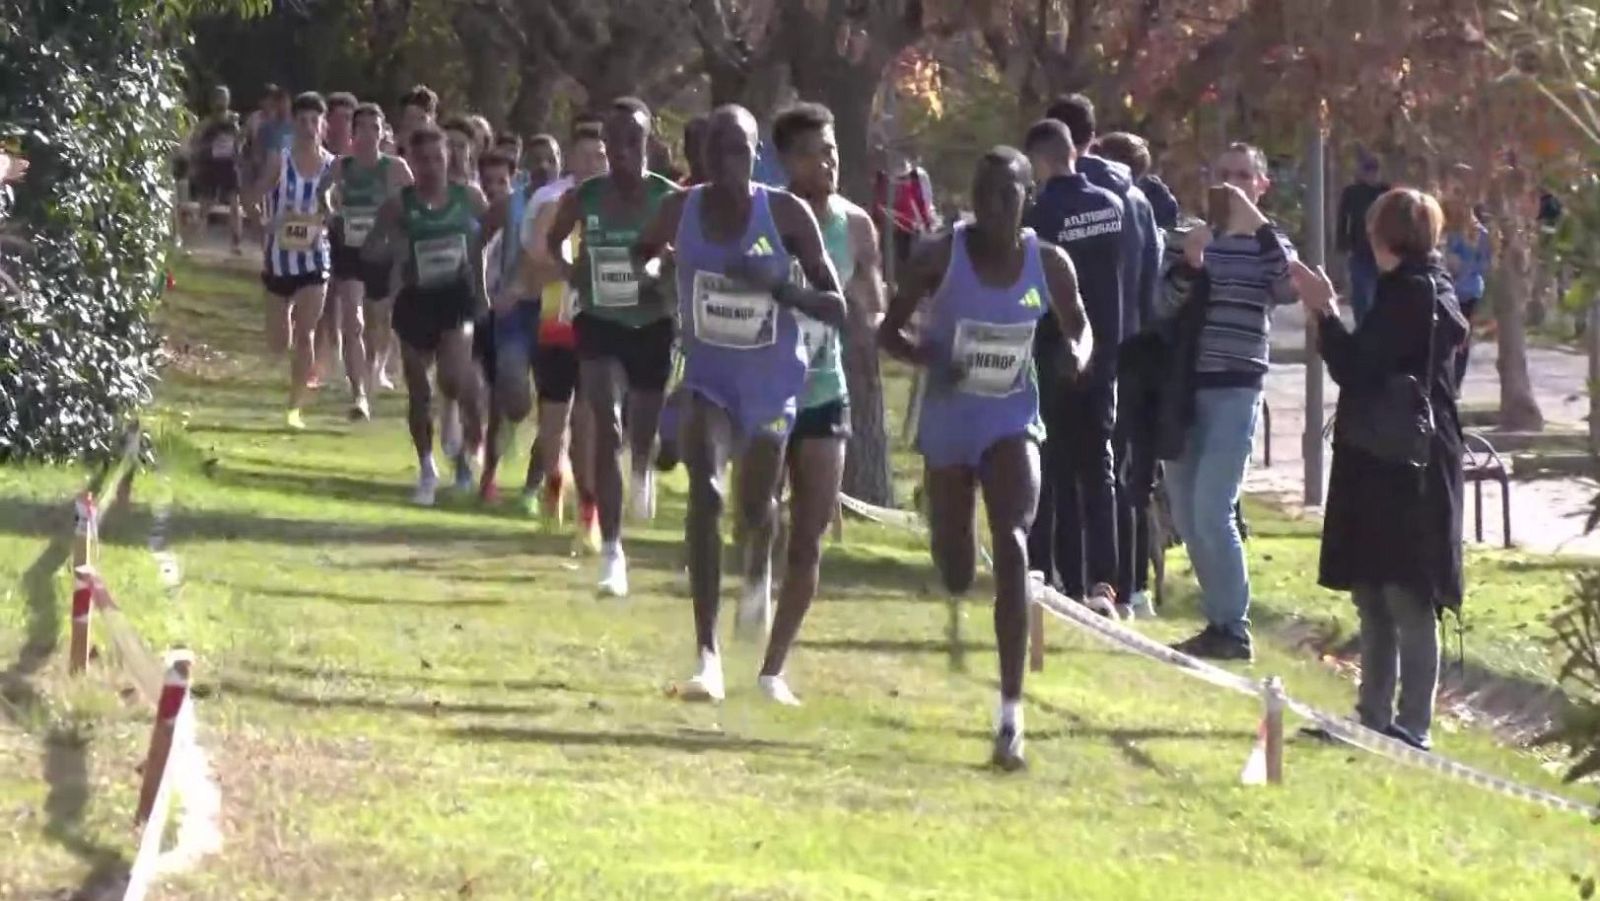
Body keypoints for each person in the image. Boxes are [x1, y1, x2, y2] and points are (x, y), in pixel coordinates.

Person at [881, 147, 1091, 770]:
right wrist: (927, 357)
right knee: (954, 568)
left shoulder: (1049, 263)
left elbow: (1081, 326)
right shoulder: (938, 256)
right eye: (986, 192)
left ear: (1028, 200)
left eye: (1009, 194)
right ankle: (943, 522)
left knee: (1013, 537)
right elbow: (887, 331)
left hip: (1011, 420)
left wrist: (1076, 356)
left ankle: (1010, 716)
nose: (996, 206)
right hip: (949, 422)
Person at [633, 104, 846, 701]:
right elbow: (641, 253)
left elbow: (836, 306)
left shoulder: (785, 213)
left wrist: (777, 286)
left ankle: (759, 564)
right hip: (709, 380)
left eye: (740, 151)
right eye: (717, 150)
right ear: (702, 156)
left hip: (774, 386)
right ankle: (708, 657)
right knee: (706, 494)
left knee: (755, 510)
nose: (728, 162)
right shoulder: (680, 209)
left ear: (757, 157)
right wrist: (657, 268)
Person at [1291, 188, 1466, 751]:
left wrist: (1323, 309)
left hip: (1405, 463)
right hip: (1379, 457)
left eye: (1372, 232)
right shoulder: (1408, 289)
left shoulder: (1415, 295)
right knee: (1372, 591)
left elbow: (1357, 366)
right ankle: (1371, 717)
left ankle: (1412, 726)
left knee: (1406, 595)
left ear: (1388, 237)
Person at [753, 102, 885, 705]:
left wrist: (871, 316)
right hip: (762, 386)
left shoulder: (856, 226)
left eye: (831, 149)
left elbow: (871, 300)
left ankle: (772, 669)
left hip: (825, 391)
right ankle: (756, 572)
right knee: (757, 514)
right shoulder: (766, 217)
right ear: (786, 162)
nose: (827, 161)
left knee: (810, 534)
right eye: (812, 152)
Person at [1162, 143, 1298, 661]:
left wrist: (1258, 225)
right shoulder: (1191, 237)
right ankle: (1217, 621)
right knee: (1186, 511)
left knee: (1213, 506)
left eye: (1245, 175)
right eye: (1225, 174)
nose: (1235, 184)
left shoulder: (1272, 244)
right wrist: (1191, 264)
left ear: (1262, 185)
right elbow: (1162, 303)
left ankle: (1234, 626)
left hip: (1237, 387)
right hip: (1184, 388)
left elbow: (1286, 287)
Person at [545, 98, 679, 596]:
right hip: (599, 320)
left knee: (640, 431)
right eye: (614, 142)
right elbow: (554, 240)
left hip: (651, 324)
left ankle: (643, 463)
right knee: (607, 421)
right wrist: (569, 269)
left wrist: (662, 269)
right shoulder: (587, 196)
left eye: (633, 141)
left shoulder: (669, 199)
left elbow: (686, 258)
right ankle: (613, 551)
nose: (622, 151)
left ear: (649, 142)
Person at [1021, 119, 1125, 620]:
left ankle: (1054, 573)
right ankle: (1106, 583)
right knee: (1098, 469)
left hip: (1054, 353)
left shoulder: (1039, 215)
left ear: (1040, 161)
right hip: (1104, 354)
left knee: (1054, 469)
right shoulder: (1112, 206)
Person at [362, 125, 491, 506]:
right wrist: (393, 248)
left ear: (449, 159)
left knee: (453, 376)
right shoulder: (398, 205)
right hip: (415, 299)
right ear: (412, 163)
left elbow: (492, 239)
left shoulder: (468, 197)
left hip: (456, 296)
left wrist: (486, 288)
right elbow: (370, 249)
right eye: (424, 160)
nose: (432, 167)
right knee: (419, 392)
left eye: (439, 158)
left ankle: (464, 433)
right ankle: (427, 467)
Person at [1089, 129, 1169, 618]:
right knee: (1128, 476)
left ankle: (1111, 579)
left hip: (1108, 349)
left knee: (1104, 471)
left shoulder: (1110, 206)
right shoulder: (1148, 210)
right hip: (1138, 352)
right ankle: (1135, 584)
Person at [527, 119, 608, 540]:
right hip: (558, 322)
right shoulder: (552, 204)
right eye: (589, 154)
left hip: (599, 327)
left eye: (602, 155)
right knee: (553, 422)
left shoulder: (617, 203)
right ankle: (554, 486)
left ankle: (590, 511)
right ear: (572, 158)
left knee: (590, 421)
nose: (597, 162)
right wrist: (574, 270)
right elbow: (536, 261)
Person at [243, 91, 336, 432]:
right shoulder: (279, 161)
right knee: (278, 341)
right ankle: (293, 385)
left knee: (306, 334)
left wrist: (329, 219)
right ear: (293, 125)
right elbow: (252, 196)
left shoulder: (333, 165)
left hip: (314, 259)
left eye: (315, 120)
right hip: (279, 261)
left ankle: (295, 407)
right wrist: (262, 224)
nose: (309, 127)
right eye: (303, 121)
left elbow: (340, 208)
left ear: (323, 125)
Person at [479, 135, 561, 503]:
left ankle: (531, 489)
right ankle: (491, 471)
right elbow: (476, 246)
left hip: (558, 310)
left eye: (551, 159)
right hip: (515, 309)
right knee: (510, 390)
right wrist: (488, 293)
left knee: (553, 404)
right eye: (537, 159)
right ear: (525, 165)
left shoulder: (570, 202)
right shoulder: (511, 204)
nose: (544, 165)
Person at [322, 101, 414, 421]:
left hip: (382, 252)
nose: (368, 134)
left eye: (375, 128)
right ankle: (359, 394)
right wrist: (331, 214)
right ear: (353, 133)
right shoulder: (341, 166)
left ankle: (374, 368)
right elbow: (322, 193)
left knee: (379, 319)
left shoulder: (396, 167)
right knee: (353, 320)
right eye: (362, 128)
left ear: (382, 132)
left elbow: (414, 203)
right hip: (349, 249)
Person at [187, 85, 245, 253]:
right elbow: (195, 142)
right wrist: (202, 152)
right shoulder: (207, 123)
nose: (221, 102)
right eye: (218, 99)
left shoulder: (233, 120)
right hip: (211, 165)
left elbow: (239, 141)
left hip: (229, 165)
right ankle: (194, 241)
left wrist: (237, 134)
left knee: (235, 204)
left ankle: (236, 243)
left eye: (224, 98)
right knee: (206, 204)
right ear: (213, 102)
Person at [1335, 153, 1390, 323]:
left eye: (1374, 171)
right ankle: (1362, 327)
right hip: (1359, 251)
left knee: (1380, 294)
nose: (1371, 175)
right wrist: (1342, 244)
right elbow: (1343, 219)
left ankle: (1378, 329)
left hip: (1383, 252)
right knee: (1360, 294)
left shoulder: (1385, 192)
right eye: (1368, 171)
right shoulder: (1352, 192)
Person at [1444, 198, 1490, 386]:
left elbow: (1485, 263)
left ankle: (1456, 381)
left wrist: (1465, 268)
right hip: (1453, 290)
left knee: (1462, 336)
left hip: (1468, 290)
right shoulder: (1452, 232)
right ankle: (1450, 378)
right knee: (1451, 335)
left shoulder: (1481, 234)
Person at [873, 152, 938, 268]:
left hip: (910, 232)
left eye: (904, 178)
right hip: (886, 232)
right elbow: (877, 207)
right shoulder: (879, 178)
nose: (902, 182)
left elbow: (925, 204)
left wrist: (928, 225)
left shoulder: (917, 176)